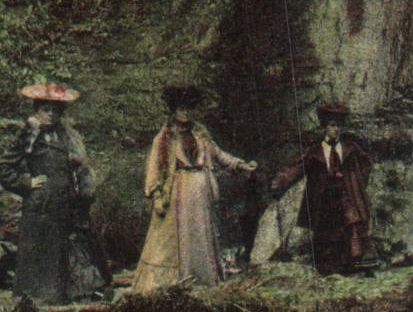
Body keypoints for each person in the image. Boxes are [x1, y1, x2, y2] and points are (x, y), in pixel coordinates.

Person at [131, 85, 257, 294]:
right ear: (173, 110)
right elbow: (154, 167)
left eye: (189, 108)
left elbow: (219, 156)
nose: (186, 112)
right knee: (175, 241)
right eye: (181, 108)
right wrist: (155, 194)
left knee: (200, 235)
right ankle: (174, 283)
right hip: (177, 194)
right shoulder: (164, 138)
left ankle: (203, 280)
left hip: (201, 193)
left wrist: (240, 165)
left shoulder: (200, 134)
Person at [0, 83, 109, 305]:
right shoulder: (29, 133)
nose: (50, 114)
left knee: (64, 255)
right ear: (37, 110)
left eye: (55, 110)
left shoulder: (66, 136)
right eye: (46, 109)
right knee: (38, 255)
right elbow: (3, 168)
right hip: (40, 206)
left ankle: (62, 300)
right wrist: (26, 183)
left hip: (64, 206)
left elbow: (79, 166)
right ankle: (32, 303)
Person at [270, 102, 378, 275]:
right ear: (324, 128)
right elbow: (296, 168)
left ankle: (353, 266)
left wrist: (356, 183)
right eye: (333, 125)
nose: (337, 130)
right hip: (324, 199)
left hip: (347, 198)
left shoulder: (351, 148)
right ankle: (327, 269)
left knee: (351, 228)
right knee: (326, 235)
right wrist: (280, 182)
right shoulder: (315, 152)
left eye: (339, 126)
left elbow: (367, 164)